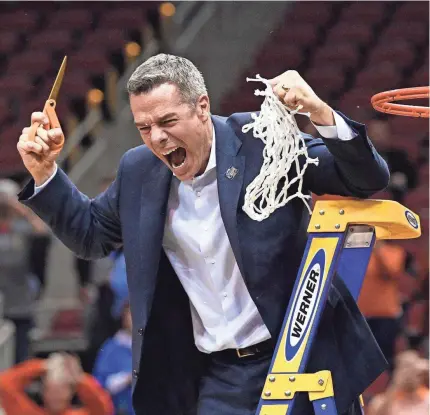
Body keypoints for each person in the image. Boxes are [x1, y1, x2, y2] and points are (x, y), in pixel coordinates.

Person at [16, 54, 390, 415]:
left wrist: (321, 113)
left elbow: (365, 180)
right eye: (144, 127)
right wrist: (46, 172)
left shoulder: (261, 138)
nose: (157, 138)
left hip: (303, 354)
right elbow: (91, 236)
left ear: (202, 106)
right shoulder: (138, 170)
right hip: (218, 376)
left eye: (167, 121)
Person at [0, 179, 51, 363]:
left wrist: (19, 208)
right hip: (2, 303)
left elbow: (43, 233)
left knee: (21, 357)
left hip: (20, 303)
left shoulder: (22, 229)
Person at [358, 240, 417, 372]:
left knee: (384, 356)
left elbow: (390, 272)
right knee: (361, 356)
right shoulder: (362, 253)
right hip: (361, 313)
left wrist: (378, 250)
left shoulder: (396, 252)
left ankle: (386, 388)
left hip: (385, 314)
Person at [0, 352, 113, 415]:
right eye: (52, 390)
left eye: (61, 390)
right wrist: (43, 365)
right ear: (43, 392)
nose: (56, 396)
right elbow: (4, 384)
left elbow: (103, 407)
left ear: (71, 392)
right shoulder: (28, 412)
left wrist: (79, 378)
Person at [93, 302, 134, 415]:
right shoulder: (110, 349)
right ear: (123, 317)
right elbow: (99, 385)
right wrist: (127, 379)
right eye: (132, 313)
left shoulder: (153, 347)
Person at [367, 350, 429, 415]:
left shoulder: (426, 399)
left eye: (411, 370)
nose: (409, 375)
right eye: (405, 369)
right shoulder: (380, 402)